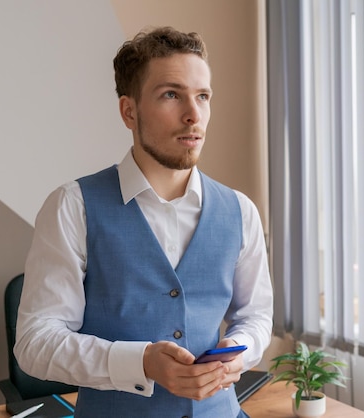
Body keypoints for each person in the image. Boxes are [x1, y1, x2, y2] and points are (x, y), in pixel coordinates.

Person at [14, 26, 273, 418]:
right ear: (129, 111)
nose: (193, 114)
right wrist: (142, 362)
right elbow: (35, 344)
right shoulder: (73, 206)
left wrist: (237, 354)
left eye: (203, 96)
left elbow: (255, 316)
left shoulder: (241, 211)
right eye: (172, 94)